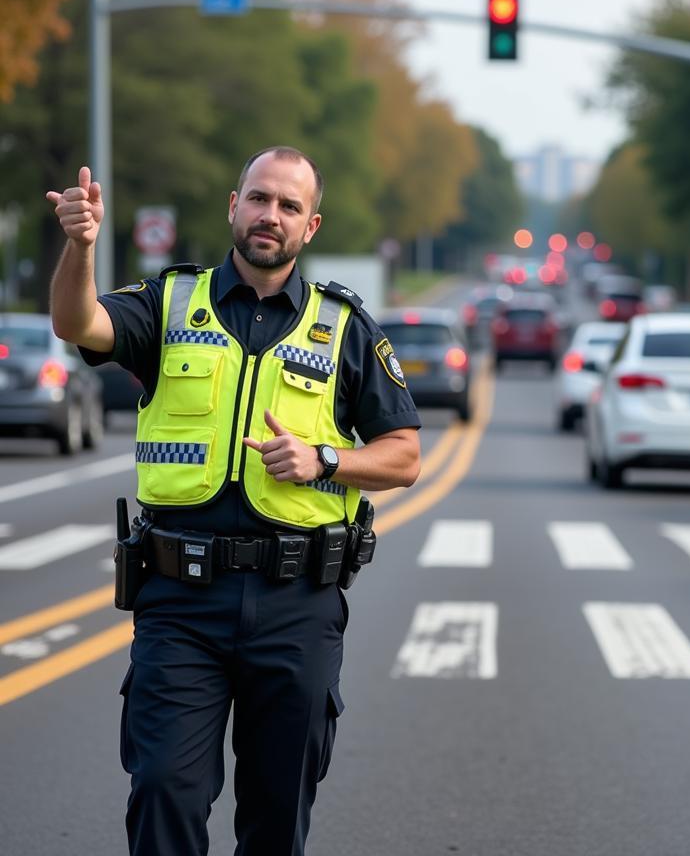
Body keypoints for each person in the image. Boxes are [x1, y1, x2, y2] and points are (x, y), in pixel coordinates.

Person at [46, 146, 421, 856]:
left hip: (297, 606)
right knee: (163, 788)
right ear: (233, 205)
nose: (269, 215)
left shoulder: (345, 327)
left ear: (310, 226)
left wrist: (327, 460)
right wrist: (80, 246)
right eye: (259, 199)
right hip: (181, 603)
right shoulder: (168, 304)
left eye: (288, 206)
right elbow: (77, 323)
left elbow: (404, 454)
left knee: (277, 816)